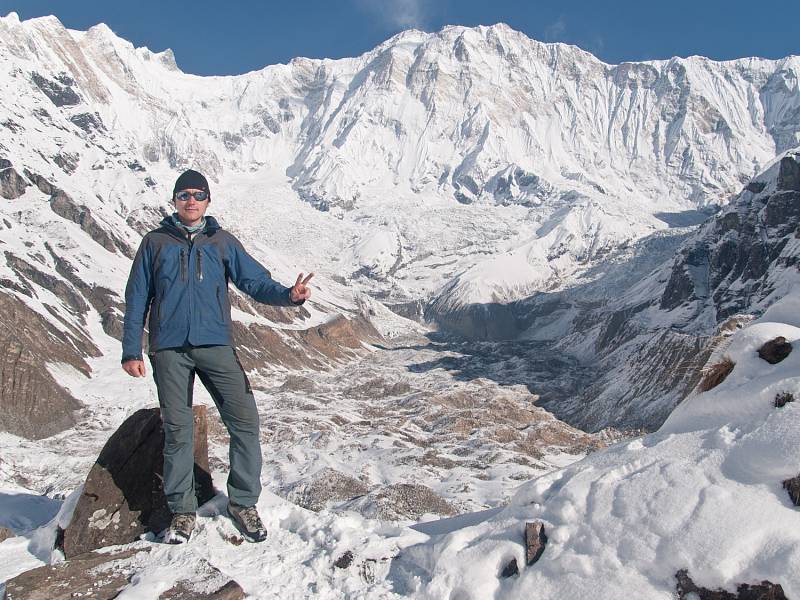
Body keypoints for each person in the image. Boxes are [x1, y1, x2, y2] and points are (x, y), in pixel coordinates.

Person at [121, 169, 313, 544]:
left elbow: (253, 281)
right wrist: (131, 350)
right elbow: (137, 298)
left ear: (208, 201)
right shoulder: (154, 242)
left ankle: (242, 502)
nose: (191, 200)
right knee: (178, 430)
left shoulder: (221, 242)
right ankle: (182, 512)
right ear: (174, 201)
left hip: (216, 345)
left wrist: (288, 296)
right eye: (183, 195)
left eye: (197, 194)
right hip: (169, 349)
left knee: (244, 421)